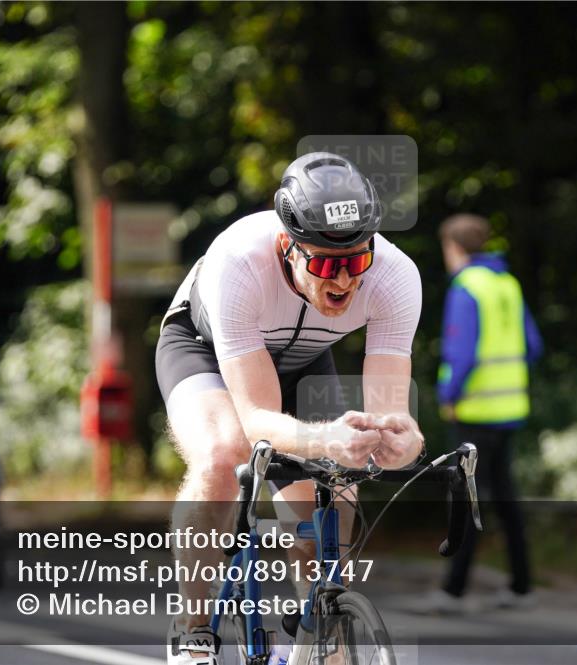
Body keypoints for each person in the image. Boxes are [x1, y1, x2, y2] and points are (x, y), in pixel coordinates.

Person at [155, 152, 425, 664]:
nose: (343, 281)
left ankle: (320, 634)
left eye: (356, 261)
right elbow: (257, 419)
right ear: (288, 245)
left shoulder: (396, 278)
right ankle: (194, 631)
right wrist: (327, 438)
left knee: (336, 494)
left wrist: (403, 440)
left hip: (301, 360)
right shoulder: (238, 261)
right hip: (203, 350)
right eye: (325, 263)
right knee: (224, 455)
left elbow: (392, 412)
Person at [420, 213, 542, 614]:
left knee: (467, 499)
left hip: (475, 411)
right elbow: (532, 344)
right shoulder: (507, 283)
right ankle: (522, 585)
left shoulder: (466, 287)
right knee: (505, 499)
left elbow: (461, 353)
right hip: (510, 409)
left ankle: (454, 590)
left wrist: (448, 395)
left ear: (453, 248)